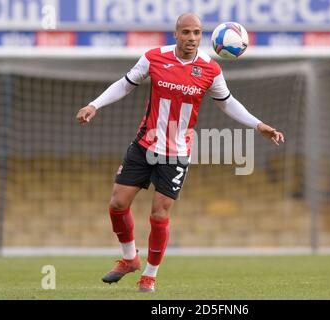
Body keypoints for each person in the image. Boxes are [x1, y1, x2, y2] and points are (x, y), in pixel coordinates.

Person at [76, 13, 285, 293]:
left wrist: (258, 125)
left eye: (197, 33)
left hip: (177, 153)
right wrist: (94, 104)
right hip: (145, 145)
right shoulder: (153, 57)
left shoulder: (210, 70)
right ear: (175, 34)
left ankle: (149, 275)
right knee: (117, 203)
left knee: (159, 215)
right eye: (186, 32)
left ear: (203, 36)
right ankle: (129, 260)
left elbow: (228, 103)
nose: (191, 38)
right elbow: (125, 84)